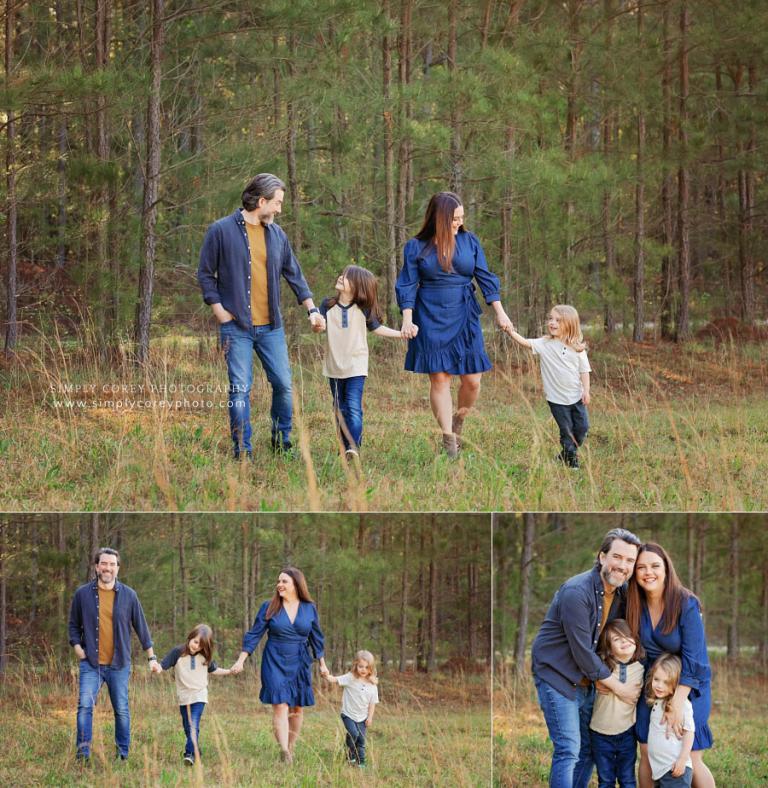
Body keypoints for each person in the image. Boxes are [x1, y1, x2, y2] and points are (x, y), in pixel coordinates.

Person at [197, 173, 326, 459]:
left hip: (271, 328)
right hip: (236, 328)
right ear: (261, 200)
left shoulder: (277, 235)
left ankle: (282, 443)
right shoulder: (220, 231)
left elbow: (294, 274)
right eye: (277, 203)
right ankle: (242, 450)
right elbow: (205, 275)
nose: (280, 210)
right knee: (240, 390)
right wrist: (219, 311)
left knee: (283, 385)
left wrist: (312, 309)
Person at [395, 191, 513, 458]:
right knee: (440, 377)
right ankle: (448, 440)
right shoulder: (416, 247)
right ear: (440, 218)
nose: (459, 222)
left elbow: (485, 277)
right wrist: (407, 318)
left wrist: (500, 312)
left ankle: (458, 421)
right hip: (430, 314)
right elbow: (407, 283)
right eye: (454, 219)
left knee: (472, 380)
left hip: (464, 313)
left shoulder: (469, 241)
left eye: (461, 218)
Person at [531, 527, 643, 788]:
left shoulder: (621, 593)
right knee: (569, 749)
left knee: (589, 750)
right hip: (558, 676)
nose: (622, 566)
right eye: (617, 557)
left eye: (629, 561)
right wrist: (618, 687)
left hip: (587, 679)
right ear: (602, 556)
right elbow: (582, 649)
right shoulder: (577, 592)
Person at [626, 544, 714, 788]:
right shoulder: (635, 603)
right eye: (641, 567)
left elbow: (695, 658)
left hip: (689, 684)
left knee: (690, 756)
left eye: (655, 565)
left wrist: (677, 703)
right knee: (647, 750)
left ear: (666, 568)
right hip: (654, 686)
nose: (648, 572)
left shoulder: (686, 603)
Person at [68, 547, 161, 762]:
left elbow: (142, 627)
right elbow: (73, 625)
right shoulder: (82, 594)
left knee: (121, 710)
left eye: (112, 564)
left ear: (118, 568)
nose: (107, 568)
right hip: (91, 664)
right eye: (104, 563)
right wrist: (77, 647)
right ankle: (83, 755)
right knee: (84, 708)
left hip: (119, 665)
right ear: (96, 566)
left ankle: (122, 755)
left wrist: (152, 657)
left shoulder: (129, 595)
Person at [230, 567, 328, 764]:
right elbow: (254, 634)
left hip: (300, 661)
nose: (279, 585)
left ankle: (291, 748)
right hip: (274, 660)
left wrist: (322, 664)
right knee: (280, 705)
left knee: (297, 708)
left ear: (296, 584)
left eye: (284, 581)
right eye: (278, 581)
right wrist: (241, 660)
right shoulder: (269, 606)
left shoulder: (309, 608)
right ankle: (284, 752)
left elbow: (316, 638)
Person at [314, 265, 406, 460]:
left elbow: (377, 328)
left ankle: (353, 448)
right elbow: (319, 326)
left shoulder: (363, 309)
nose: (340, 277)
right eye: (342, 274)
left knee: (353, 406)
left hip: (356, 366)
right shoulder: (327, 305)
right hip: (334, 367)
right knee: (340, 408)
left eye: (346, 277)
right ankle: (346, 446)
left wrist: (401, 334)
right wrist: (317, 325)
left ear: (358, 287)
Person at [505, 304, 591, 468]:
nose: (552, 323)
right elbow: (524, 342)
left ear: (570, 324)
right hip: (556, 399)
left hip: (576, 397)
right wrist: (511, 331)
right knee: (566, 430)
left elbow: (584, 371)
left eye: (558, 320)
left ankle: (564, 454)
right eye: (550, 319)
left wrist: (586, 390)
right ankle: (572, 461)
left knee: (582, 429)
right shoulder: (544, 343)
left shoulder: (577, 347)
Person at [156, 623, 232, 765]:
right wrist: (156, 668)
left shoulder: (204, 656)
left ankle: (189, 754)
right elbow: (163, 665)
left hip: (199, 695)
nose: (197, 646)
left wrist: (229, 671)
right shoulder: (177, 652)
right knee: (187, 726)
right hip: (183, 696)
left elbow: (214, 670)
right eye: (196, 642)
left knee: (193, 724)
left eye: (201, 645)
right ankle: (196, 749)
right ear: (190, 637)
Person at [589, 619, 646, 788]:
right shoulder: (602, 667)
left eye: (627, 636)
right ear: (609, 649)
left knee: (627, 779)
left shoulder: (642, 668)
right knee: (605, 780)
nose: (624, 641)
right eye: (616, 639)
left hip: (627, 732)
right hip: (599, 733)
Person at [320, 649, 380, 768]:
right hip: (348, 714)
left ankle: (360, 762)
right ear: (355, 665)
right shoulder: (350, 678)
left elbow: (372, 703)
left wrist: (370, 717)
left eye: (367, 667)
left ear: (371, 668)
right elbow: (335, 679)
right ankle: (350, 751)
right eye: (361, 666)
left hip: (362, 717)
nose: (363, 669)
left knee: (361, 740)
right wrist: (326, 675)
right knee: (354, 733)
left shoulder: (372, 684)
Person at [645, 654, 695, 787]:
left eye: (666, 682)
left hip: (674, 768)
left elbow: (689, 732)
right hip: (659, 771)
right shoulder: (658, 701)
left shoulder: (682, 704)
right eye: (656, 679)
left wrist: (682, 760)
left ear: (676, 683)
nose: (659, 686)